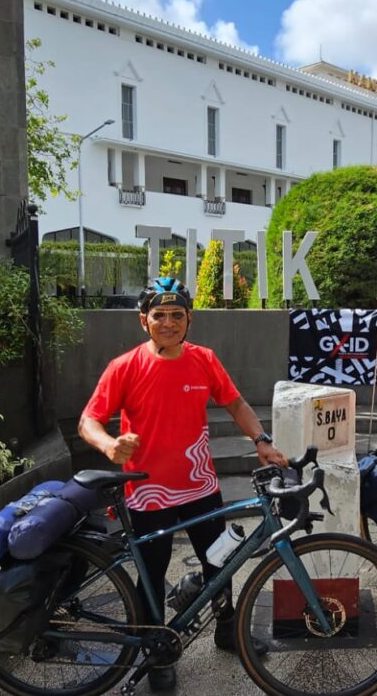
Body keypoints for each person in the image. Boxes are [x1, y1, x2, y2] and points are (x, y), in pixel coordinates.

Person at [78, 277, 287, 691]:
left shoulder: (204, 360)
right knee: (152, 574)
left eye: (177, 315)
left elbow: (236, 402)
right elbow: (89, 420)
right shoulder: (125, 367)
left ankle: (227, 630)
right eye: (160, 315)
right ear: (144, 321)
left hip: (199, 485)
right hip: (146, 491)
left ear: (189, 319)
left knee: (220, 561)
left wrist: (261, 440)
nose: (169, 323)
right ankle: (156, 652)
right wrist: (108, 445)